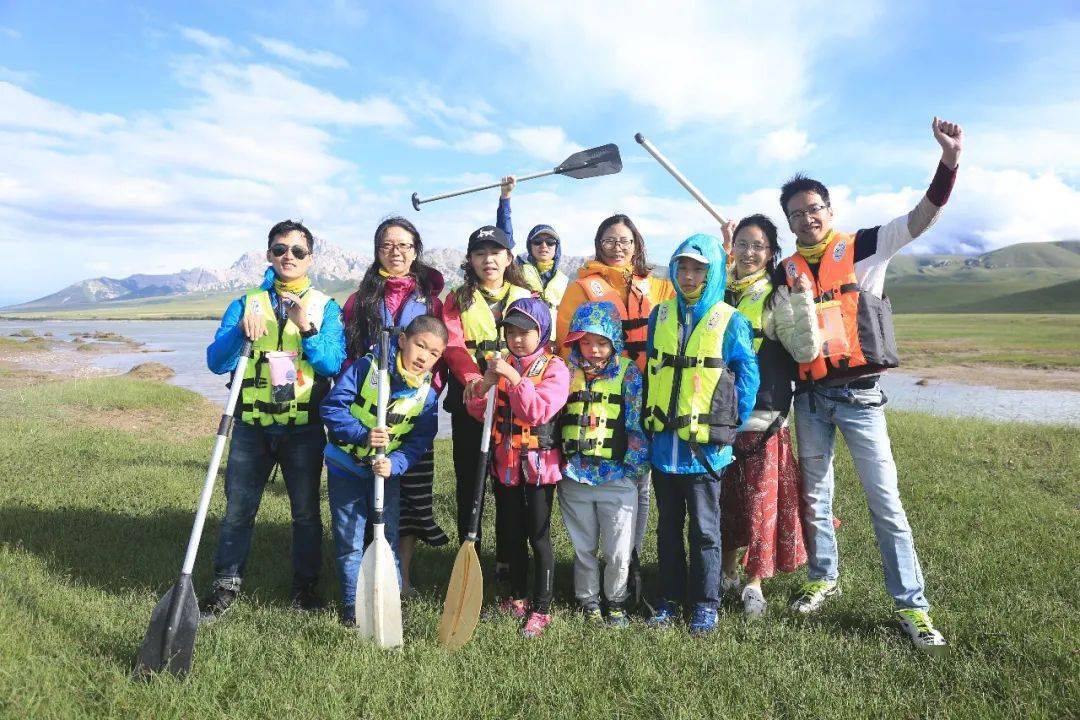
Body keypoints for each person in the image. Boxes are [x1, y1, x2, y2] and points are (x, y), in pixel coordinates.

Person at [781, 117, 962, 652]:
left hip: (860, 398)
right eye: (796, 214)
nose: (808, 218)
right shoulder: (783, 269)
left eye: (814, 209)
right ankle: (823, 576)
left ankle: (914, 607)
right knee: (815, 497)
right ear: (788, 223)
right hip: (809, 401)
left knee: (886, 503)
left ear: (829, 212)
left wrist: (949, 160)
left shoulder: (864, 247)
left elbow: (922, 218)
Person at [200, 220, 346, 619]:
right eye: (280, 249)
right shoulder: (245, 304)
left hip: (303, 428)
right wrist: (239, 336)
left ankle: (305, 587)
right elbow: (216, 362)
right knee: (238, 511)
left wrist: (307, 329)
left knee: (305, 512)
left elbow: (333, 361)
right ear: (268, 254)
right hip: (250, 424)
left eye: (298, 252)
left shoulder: (325, 306)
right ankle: (225, 583)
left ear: (310, 259)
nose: (288, 257)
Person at [642, 233, 759, 636]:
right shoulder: (659, 315)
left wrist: (726, 428)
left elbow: (747, 379)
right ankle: (670, 599)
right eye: (683, 268)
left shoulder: (730, 319)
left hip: (704, 451)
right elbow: (651, 372)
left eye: (698, 269)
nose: (689, 276)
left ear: (712, 273)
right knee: (668, 528)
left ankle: (705, 604)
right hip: (663, 447)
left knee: (706, 531)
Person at [555, 214, 675, 602]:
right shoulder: (582, 287)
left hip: (645, 390)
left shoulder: (659, 285)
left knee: (639, 485)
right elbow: (564, 336)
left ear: (636, 243)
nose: (617, 246)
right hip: (598, 392)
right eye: (609, 240)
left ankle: (628, 561)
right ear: (598, 244)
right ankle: (607, 575)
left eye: (624, 240)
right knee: (627, 487)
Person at [717, 214, 820, 617]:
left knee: (761, 504)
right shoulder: (719, 292)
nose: (749, 252)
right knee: (724, 501)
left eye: (758, 246)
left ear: (771, 253)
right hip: (719, 417)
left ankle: (754, 582)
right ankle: (725, 571)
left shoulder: (777, 296)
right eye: (742, 244)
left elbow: (804, 349)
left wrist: (803, 300)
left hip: (764, 416)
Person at [341, 217, 449, 597]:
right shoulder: (360, 299)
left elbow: (442, 353)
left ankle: (401, 578)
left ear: (416, 250)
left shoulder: (431, 301)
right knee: (366, 492)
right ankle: (363, 574)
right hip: (367, 413)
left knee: (410, 497)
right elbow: (348, 354)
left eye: (404, 245)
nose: (396, 252)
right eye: (388, 245)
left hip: (413, 412)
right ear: (377, 251)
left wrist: (430, 395)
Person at [320, 314, 445, 625]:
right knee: (349, 540)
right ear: (402, 340)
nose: (424, 357)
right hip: (346, 467)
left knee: (387, 538)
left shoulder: (427, 396)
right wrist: (363, 433)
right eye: (420, 346)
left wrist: (396, 464)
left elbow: (418, 441)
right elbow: (331, 408)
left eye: (434, 354)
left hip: (384, 475)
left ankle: (390, 600)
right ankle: (352, 607)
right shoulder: (366, 369)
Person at [466, 297, 568, 638]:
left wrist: (513, 377)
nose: (518, 338)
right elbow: (482, 412)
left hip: (539, 469)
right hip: (506, 465)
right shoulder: (503, 363)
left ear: (541, 332)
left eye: (526, 331)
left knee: (538, 537)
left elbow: (537, 411)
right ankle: (517, 597)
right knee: (511, 534)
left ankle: (541, 607)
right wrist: (483, 386)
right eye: (511, 331)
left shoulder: (555, 368)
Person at [441, 226, 532, 565]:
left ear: (509, 258)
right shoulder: (458, 298)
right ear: (470, 260)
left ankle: (509, 559)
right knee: (470, 480)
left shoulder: (526, 296)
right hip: (472, 400)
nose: (488, 259)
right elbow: (453, 344)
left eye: (495, 252)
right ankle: (470, 556)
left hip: (513, 405)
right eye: (480, 253)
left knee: (509, 484)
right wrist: (475, 380)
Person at [558, 301, 649, 628]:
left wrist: (634, 470)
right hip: (574, 476)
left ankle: (616, 600)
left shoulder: (629, 373)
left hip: (616, 477)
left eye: (601, 342)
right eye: (585, 342)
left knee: (618, 551)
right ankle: (589, 600)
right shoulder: (564, 372)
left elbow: (637, 425)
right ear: (575, 341)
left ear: (614, 342)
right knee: (584, 548)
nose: (593, 350)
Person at [495, 175, 569, 326]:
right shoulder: (518, 268)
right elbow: (504, 237)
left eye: (550, 242)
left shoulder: (564, 280)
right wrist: (505, 196)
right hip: (523, 338)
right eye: (537, 241)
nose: (543, 246)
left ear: (557, 247)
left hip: (552, 344)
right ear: (530, 246)